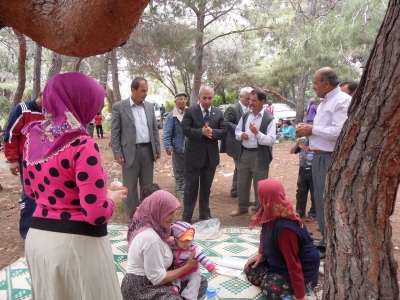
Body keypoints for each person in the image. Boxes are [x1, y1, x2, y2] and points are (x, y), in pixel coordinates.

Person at [21, 72, 127, 299]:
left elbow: (30, 191)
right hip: (75, 247)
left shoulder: (32, 138)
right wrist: (111, 199)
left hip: (38, 240)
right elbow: (96, 213)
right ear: (79, 101)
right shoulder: (82, 144)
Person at [296, 67, 351, 246]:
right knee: (320, 199)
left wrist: (313, 129)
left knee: (327, 200)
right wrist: (308, 131)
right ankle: (327, 239)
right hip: (318, 157)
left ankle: (332, 243)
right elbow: (323, 131)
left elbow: (340, 131)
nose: (313, 87)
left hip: (330, 158)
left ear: (326, 84)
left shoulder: (342, 101)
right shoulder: (324, 102)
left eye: (315, 83)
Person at [121, 190, 208, 300]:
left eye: (174, 212)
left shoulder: (158, 228)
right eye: (169, 213)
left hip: (154, 279)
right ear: (158, 211)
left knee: (200, 282)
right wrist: (187, 267)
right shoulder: (151, 238)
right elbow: (158, 280)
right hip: (141, 287)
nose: (173, 218)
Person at [245, 179, 320, 300]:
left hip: (302, 266)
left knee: (269, 287)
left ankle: (286, 286)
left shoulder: (285, 229)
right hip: (280, 260)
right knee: (251, 267)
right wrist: (261, 254)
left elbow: (293, 262)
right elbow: (264, 234)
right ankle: (271, 275)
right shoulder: (271, 211)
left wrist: (301, 296)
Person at [110, 77, 161, 219]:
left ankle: (147, 217)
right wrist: (117, 152)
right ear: (133, 90)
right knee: (130, 188)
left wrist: (157, 148)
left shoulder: (150, 107)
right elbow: (115, 132)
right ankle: (133, 219)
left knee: (147, 187)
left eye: (147, 91)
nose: (145, 94)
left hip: (147, 151)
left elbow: (154, 130)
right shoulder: (119, 107)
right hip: (128, 153)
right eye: (142, 91)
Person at [181, 86, 226, 223]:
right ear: (199, 97)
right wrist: (200, 132)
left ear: (213, 98)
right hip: (193, 157)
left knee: (206, 188)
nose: (207, 101)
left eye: (210, 98)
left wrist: (213, 132)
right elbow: (185, 129)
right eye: (204, 98)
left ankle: (205, 214)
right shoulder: (190, 112)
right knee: (191, 188)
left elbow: (224, 130)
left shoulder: (218, 113)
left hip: (210, 158)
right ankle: (187, 216)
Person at [3, 92, 44, 239]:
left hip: (47, 159)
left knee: (46, 192)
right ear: (40, 94)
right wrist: (13, 159)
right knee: (29, 193)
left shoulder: (53, 111)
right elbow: (9, 134)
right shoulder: (23, 109)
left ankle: (43, 228)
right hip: (26, 159)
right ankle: (27, 231)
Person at [230, 89, 276, 219]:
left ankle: (258, 211)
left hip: (259, 155)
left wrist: (257, 133)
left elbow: (271, 140)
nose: (251, 102)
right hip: (244, 153)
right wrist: (241, 135)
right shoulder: (246, 115)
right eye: (250, 99)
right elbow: (237, 131)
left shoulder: (269, 119)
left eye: (254, 100)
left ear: (263, 101)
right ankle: (242, 207)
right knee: (242, 181)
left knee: (259, 184)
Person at [169, 221, 217, 299]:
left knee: (196, 280)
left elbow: (202, 258)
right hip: (178, 270)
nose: (186, 243)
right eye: (182, 241)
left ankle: (188, 296)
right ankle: (175, 289)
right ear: (176, 239)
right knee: (174, 277)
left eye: (188, 240)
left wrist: (211, 267)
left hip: (192, 271)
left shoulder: (193, 249)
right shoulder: (173, 246)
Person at [220, 87, 251, 198]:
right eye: (247, 98)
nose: (249, 100)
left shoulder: (251, 109)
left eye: (251, 98)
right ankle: (239, 192)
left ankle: (235, 190)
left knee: (240, 167)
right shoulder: (232, 109)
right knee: (241, 167)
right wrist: (239, 130)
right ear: (241, 97)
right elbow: (225, 122)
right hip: (235, 144)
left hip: (247, 144)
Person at [162, 93, 187, 199]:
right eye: (180, 99)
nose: (183, 101)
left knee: (189, 171)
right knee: (179, 172)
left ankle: (188, 190)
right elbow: (166, 133)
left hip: (191, 149)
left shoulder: (190, 113)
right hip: (178, 148)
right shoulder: (171, 116)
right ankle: (180, 192)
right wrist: (168, 146)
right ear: (175, 102)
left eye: (185, 99)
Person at [290, 137, 316, 219]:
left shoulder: (317, 141)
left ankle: (313, 213)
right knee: (301, 191)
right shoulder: (303, 141)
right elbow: (292, 151)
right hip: (303, 169)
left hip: (314, 170)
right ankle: (300, 210)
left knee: (314, 192)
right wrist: (297, 143)